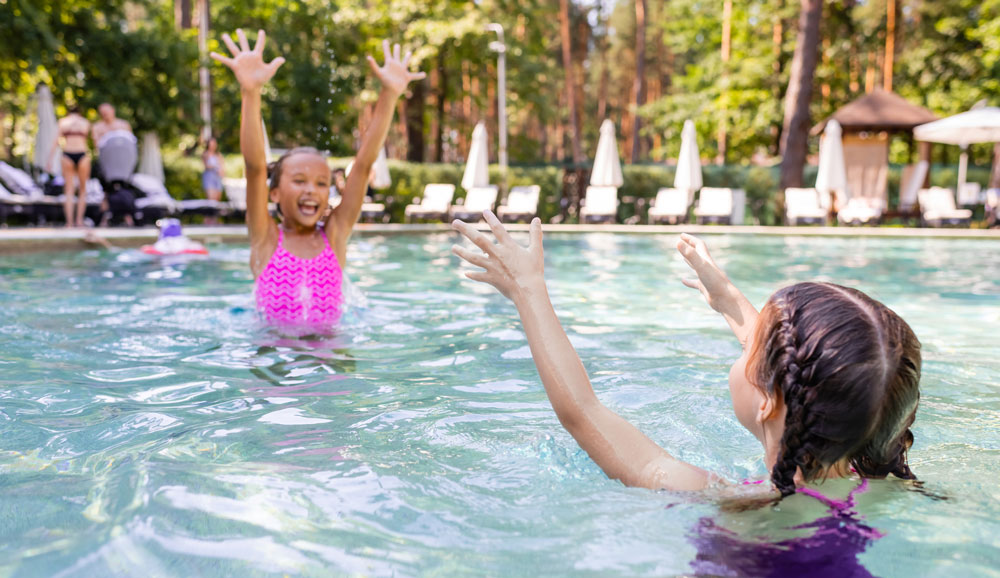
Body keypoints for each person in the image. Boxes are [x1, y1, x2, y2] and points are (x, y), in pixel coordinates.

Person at [451, 216, 921, 496]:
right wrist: (730, 301)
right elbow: (802, 374)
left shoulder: (731, 502)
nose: (746, 342)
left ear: (770, 402)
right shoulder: (874, 477)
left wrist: (527, 290)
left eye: (753, 346)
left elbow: (583, 412)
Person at [211, 29, 424, 330]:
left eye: (322, 183)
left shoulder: (334, 236)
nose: (312, 190)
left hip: (330, 362)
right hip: (275, 360)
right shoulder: (266, 239)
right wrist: (250, 92)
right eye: (299, 181)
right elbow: (256, 168)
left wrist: (389, 95)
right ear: (274, 194)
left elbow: (362, 165)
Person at [50, 105, 91, 228]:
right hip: (82, 154)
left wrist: (49, 160)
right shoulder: (85, 122)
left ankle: (69, 222)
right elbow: (90, 140)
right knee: (83, 190)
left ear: (68, 112)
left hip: (67, 154)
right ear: (80, 113)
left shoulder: (63, 122)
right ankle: (79, 221)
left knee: (69, 190)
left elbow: (56, 142)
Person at [202, 137, 223, 224]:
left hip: (217, 178)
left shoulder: (218, 155)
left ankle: (215, 220)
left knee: (217, 200)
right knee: (211, 199)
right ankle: (207, 220)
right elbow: (206, 165)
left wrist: (222, 172)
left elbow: (222, 165)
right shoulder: (205, 154)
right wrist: (215, 167)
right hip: (209, 177)